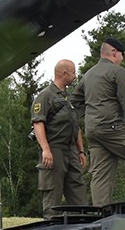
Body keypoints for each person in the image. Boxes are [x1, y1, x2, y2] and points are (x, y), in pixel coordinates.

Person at [82, 37, 125, 206]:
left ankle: (101, 214)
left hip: (92, 131)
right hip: (112, 128)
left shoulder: (88, 74)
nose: (123, 58)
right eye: (122, 54)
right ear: (114, 52)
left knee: (101, 175)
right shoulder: (117, 71)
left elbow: (76, 101)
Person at [31, 58, 87, 215]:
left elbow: (76, 126)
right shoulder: (46, 96)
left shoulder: (68, 98)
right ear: (64, 73)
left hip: (71, 150)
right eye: (73, 72)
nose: (75, 76)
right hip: (54, 150)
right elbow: (38, 123)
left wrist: (81, 151)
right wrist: (46, 149)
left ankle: (81, 223)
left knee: (78, 192)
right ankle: (51, 225)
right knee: (52, 195)